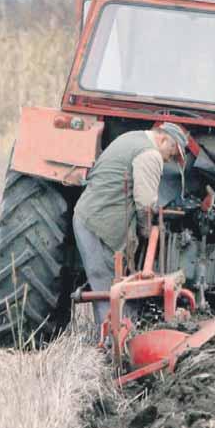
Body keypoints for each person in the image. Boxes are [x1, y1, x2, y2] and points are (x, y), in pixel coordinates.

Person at [73, 122, 188, 329]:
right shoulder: (150, 154)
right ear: (162, 139)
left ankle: (121, 332)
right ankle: (114, 341)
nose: (169, 158)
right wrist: (146, 230)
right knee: (108, 285)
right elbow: (145, 203)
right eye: (172, 152)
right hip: (100, 225)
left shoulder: (130, 137)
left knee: (109, 282)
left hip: (89, 217)